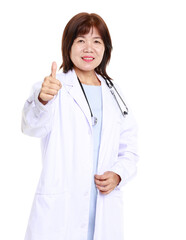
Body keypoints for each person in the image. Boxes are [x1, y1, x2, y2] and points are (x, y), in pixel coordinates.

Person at [21, 12, 138, 240]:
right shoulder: (55, 86)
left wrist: (118, 174)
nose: (89, 48)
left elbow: (130, 150)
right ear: (69, 44)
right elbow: (31, 126)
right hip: (61, 212)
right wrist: (42, 100)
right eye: (81, 40)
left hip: (103, 210)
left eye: (96, 41)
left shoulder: (114, 93)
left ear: (105, 49)